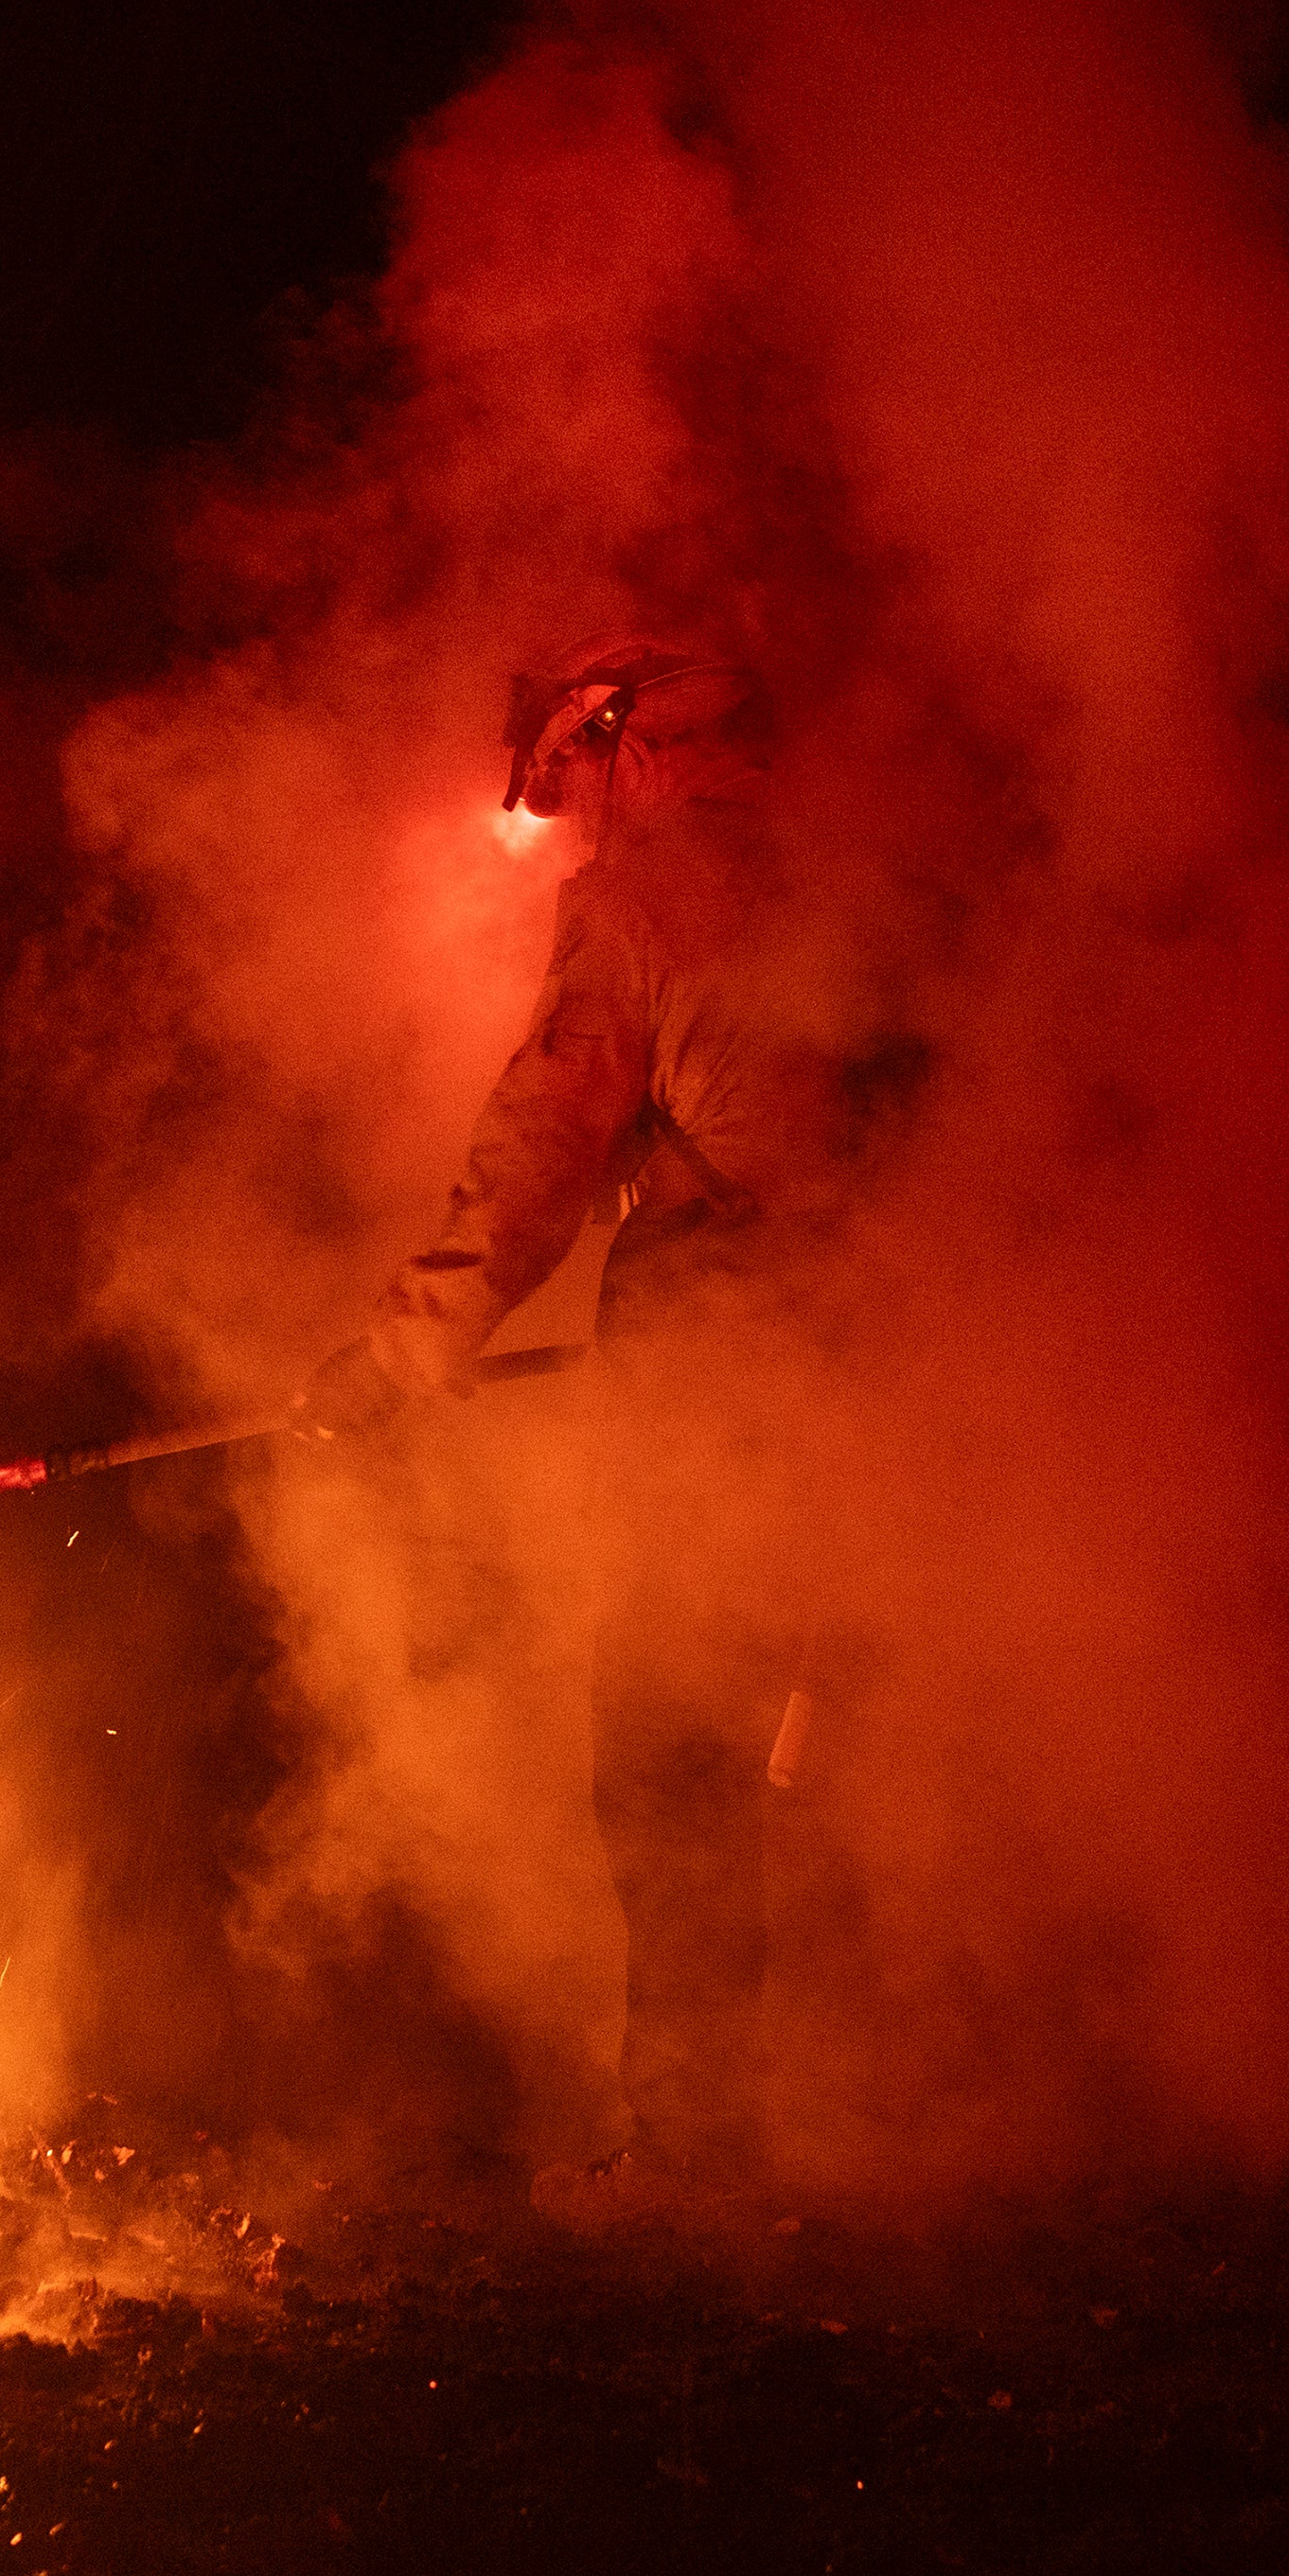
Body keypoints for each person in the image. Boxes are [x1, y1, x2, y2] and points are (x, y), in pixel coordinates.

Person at [291, 629, 912, 2189]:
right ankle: (891, 2102)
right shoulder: (861, 885)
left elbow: (542, 1142)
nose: (570, 826)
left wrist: (406, 1344)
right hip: (906, 1354)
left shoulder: (648, 903)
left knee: (668, 1750)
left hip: (735, 1343)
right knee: (831, 1733)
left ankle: (700, 2148)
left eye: (574, 787)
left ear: (630, 753)